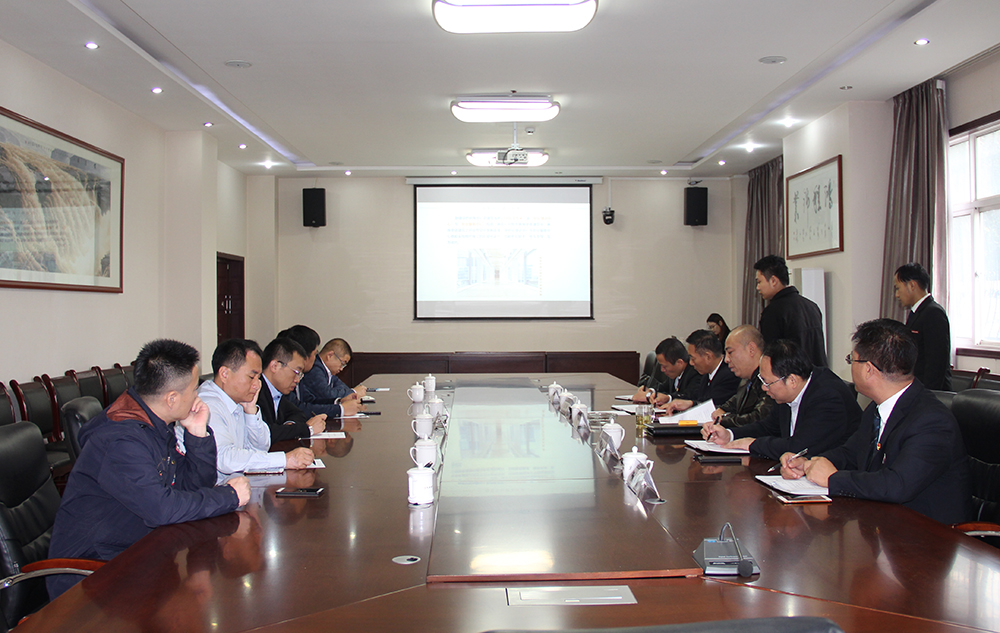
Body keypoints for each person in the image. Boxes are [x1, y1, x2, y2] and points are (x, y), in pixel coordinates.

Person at [47, 339, 250, 599]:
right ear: (172, 398)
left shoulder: (154, 423)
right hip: (91, 580)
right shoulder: (122, 441)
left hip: (136, 556)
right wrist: (229, 496)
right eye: (194, 390)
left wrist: (197, 433)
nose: (197, 396)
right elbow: (162, 509)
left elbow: (191, 486)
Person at [780, 319, 971, 524]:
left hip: (928, 535)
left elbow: (897, 485)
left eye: (851, 360)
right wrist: (809, 464)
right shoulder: (876, 408)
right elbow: (851, 453)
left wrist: (832, 479)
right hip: (884, 524)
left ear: (868, 369)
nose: (850, 366)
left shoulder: (932, 422)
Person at [703, 339, 861, 460]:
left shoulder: (828, 397)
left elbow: (799, 448)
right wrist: (730, 435)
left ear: (792, 380)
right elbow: (768, 427)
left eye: (767, 383)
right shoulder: (788, 392)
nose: (764, 388)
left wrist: (752, 444)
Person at [200, 339, 315, 483]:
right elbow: (224, 458)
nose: (257, 385)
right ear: (224, 374)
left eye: (258, 378)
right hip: (212, 490)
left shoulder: (237, 400)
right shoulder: (207, 405)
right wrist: (285, 460)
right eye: (251, 377)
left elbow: (261, 447)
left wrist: (251, 412)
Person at [754, 254, 828, 367]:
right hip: (818, 374)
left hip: (793, 373)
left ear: (773, 280)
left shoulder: (773, 311)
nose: (758, 287)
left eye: (759, 282)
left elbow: (772, 355)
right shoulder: (812, 306)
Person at [893, 262, 952, 390]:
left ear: (912, 285)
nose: (897, 295)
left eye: (898, 288)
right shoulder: (917, 313)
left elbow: (936, 362)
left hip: (931, 392)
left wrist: (926, 394)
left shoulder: (934, 313)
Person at [280, 326, 360, 418]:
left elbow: (310, 401)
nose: (316, 358)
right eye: (315, 354)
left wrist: (338, 402)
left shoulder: (299, 376)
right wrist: (340, 409)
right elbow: (300, 408)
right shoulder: (311, 371)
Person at [257, 337, 327, 442]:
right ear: (275, 366)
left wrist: (289, 428)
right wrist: (307, 429)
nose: (297, 380)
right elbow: (265, 433)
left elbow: (299, 414)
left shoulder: (278, 393)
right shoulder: (255, 392)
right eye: (296, 372)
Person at [709, 325, 774, 428]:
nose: (726, 359)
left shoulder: (771, 378)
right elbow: (736, 400)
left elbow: (760, 419)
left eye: (730, 352)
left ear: (751, 349)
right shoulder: (747, 379)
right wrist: (723, 409)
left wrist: (723, 419)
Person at [662, 330, 740, 414]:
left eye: (693, 358)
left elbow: (714, 406)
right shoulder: (706, 374)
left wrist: (692, 404)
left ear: (708, 357)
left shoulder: (730, 375)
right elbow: (695, 396)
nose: (691, 363)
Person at [298, 338, 367, 415]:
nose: (341, 368)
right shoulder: (314, 369)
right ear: (330, 355)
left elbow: (341, 387)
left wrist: (341, 400)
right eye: (342, 363)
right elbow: (326, 395)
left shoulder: (328, 371)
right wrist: (353, 392)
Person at [638, 336, 701, 406]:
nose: (662, 370)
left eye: (665, 366)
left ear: (679, 363)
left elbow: (688, 396)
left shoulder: (695, 372)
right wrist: (650, 391)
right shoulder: (675, 373)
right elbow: (663, 387)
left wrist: (669, 398)